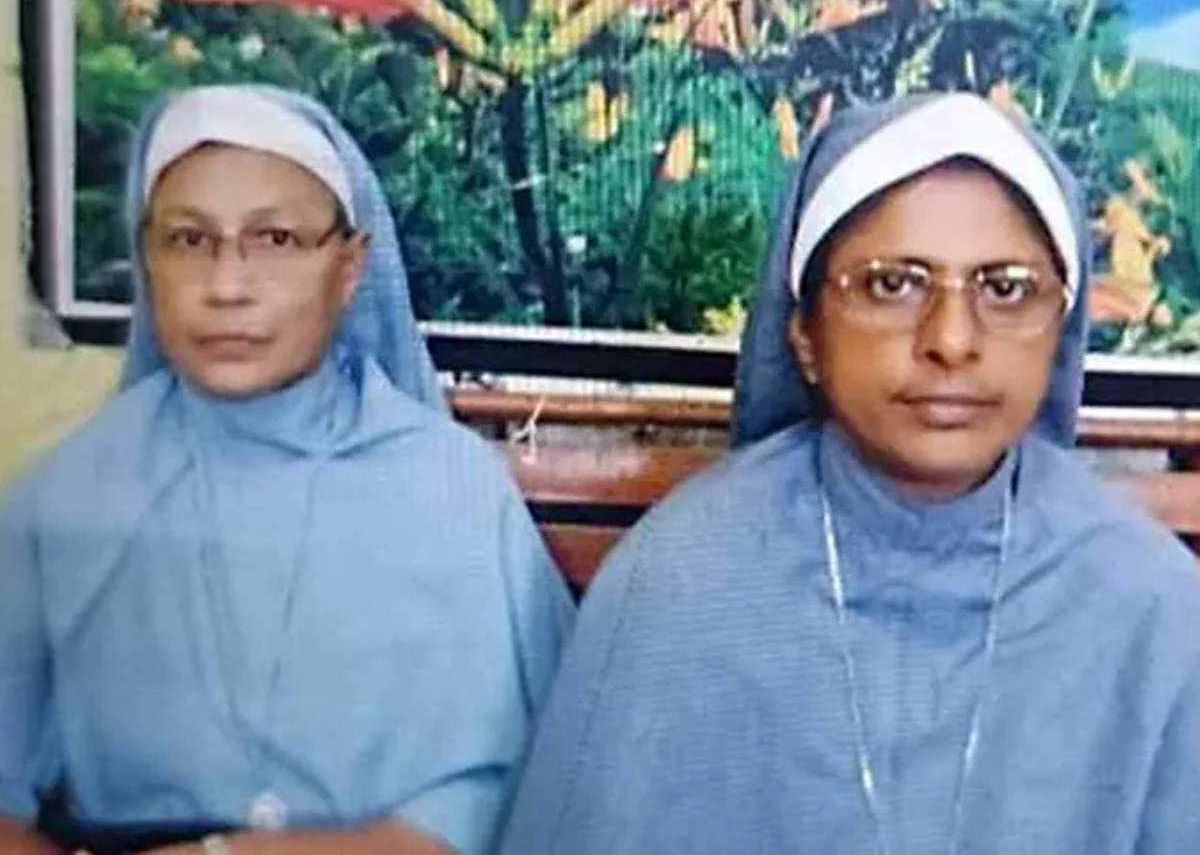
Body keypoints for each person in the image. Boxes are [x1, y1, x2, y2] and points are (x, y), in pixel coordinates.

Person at [500, 92, 1200, 854]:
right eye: (893, 283)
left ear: (1058, 329)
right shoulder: (681, 580)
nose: (951, 340)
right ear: (805, 335)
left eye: (1004, 288)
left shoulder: (1151, 602)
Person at [0, 85, 574, 855]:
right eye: (189, 240)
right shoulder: (65, 499)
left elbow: (493, 804)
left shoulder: (453, 493)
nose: (227, 287)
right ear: (146, 259)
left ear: (349, 267)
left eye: (274, 239)